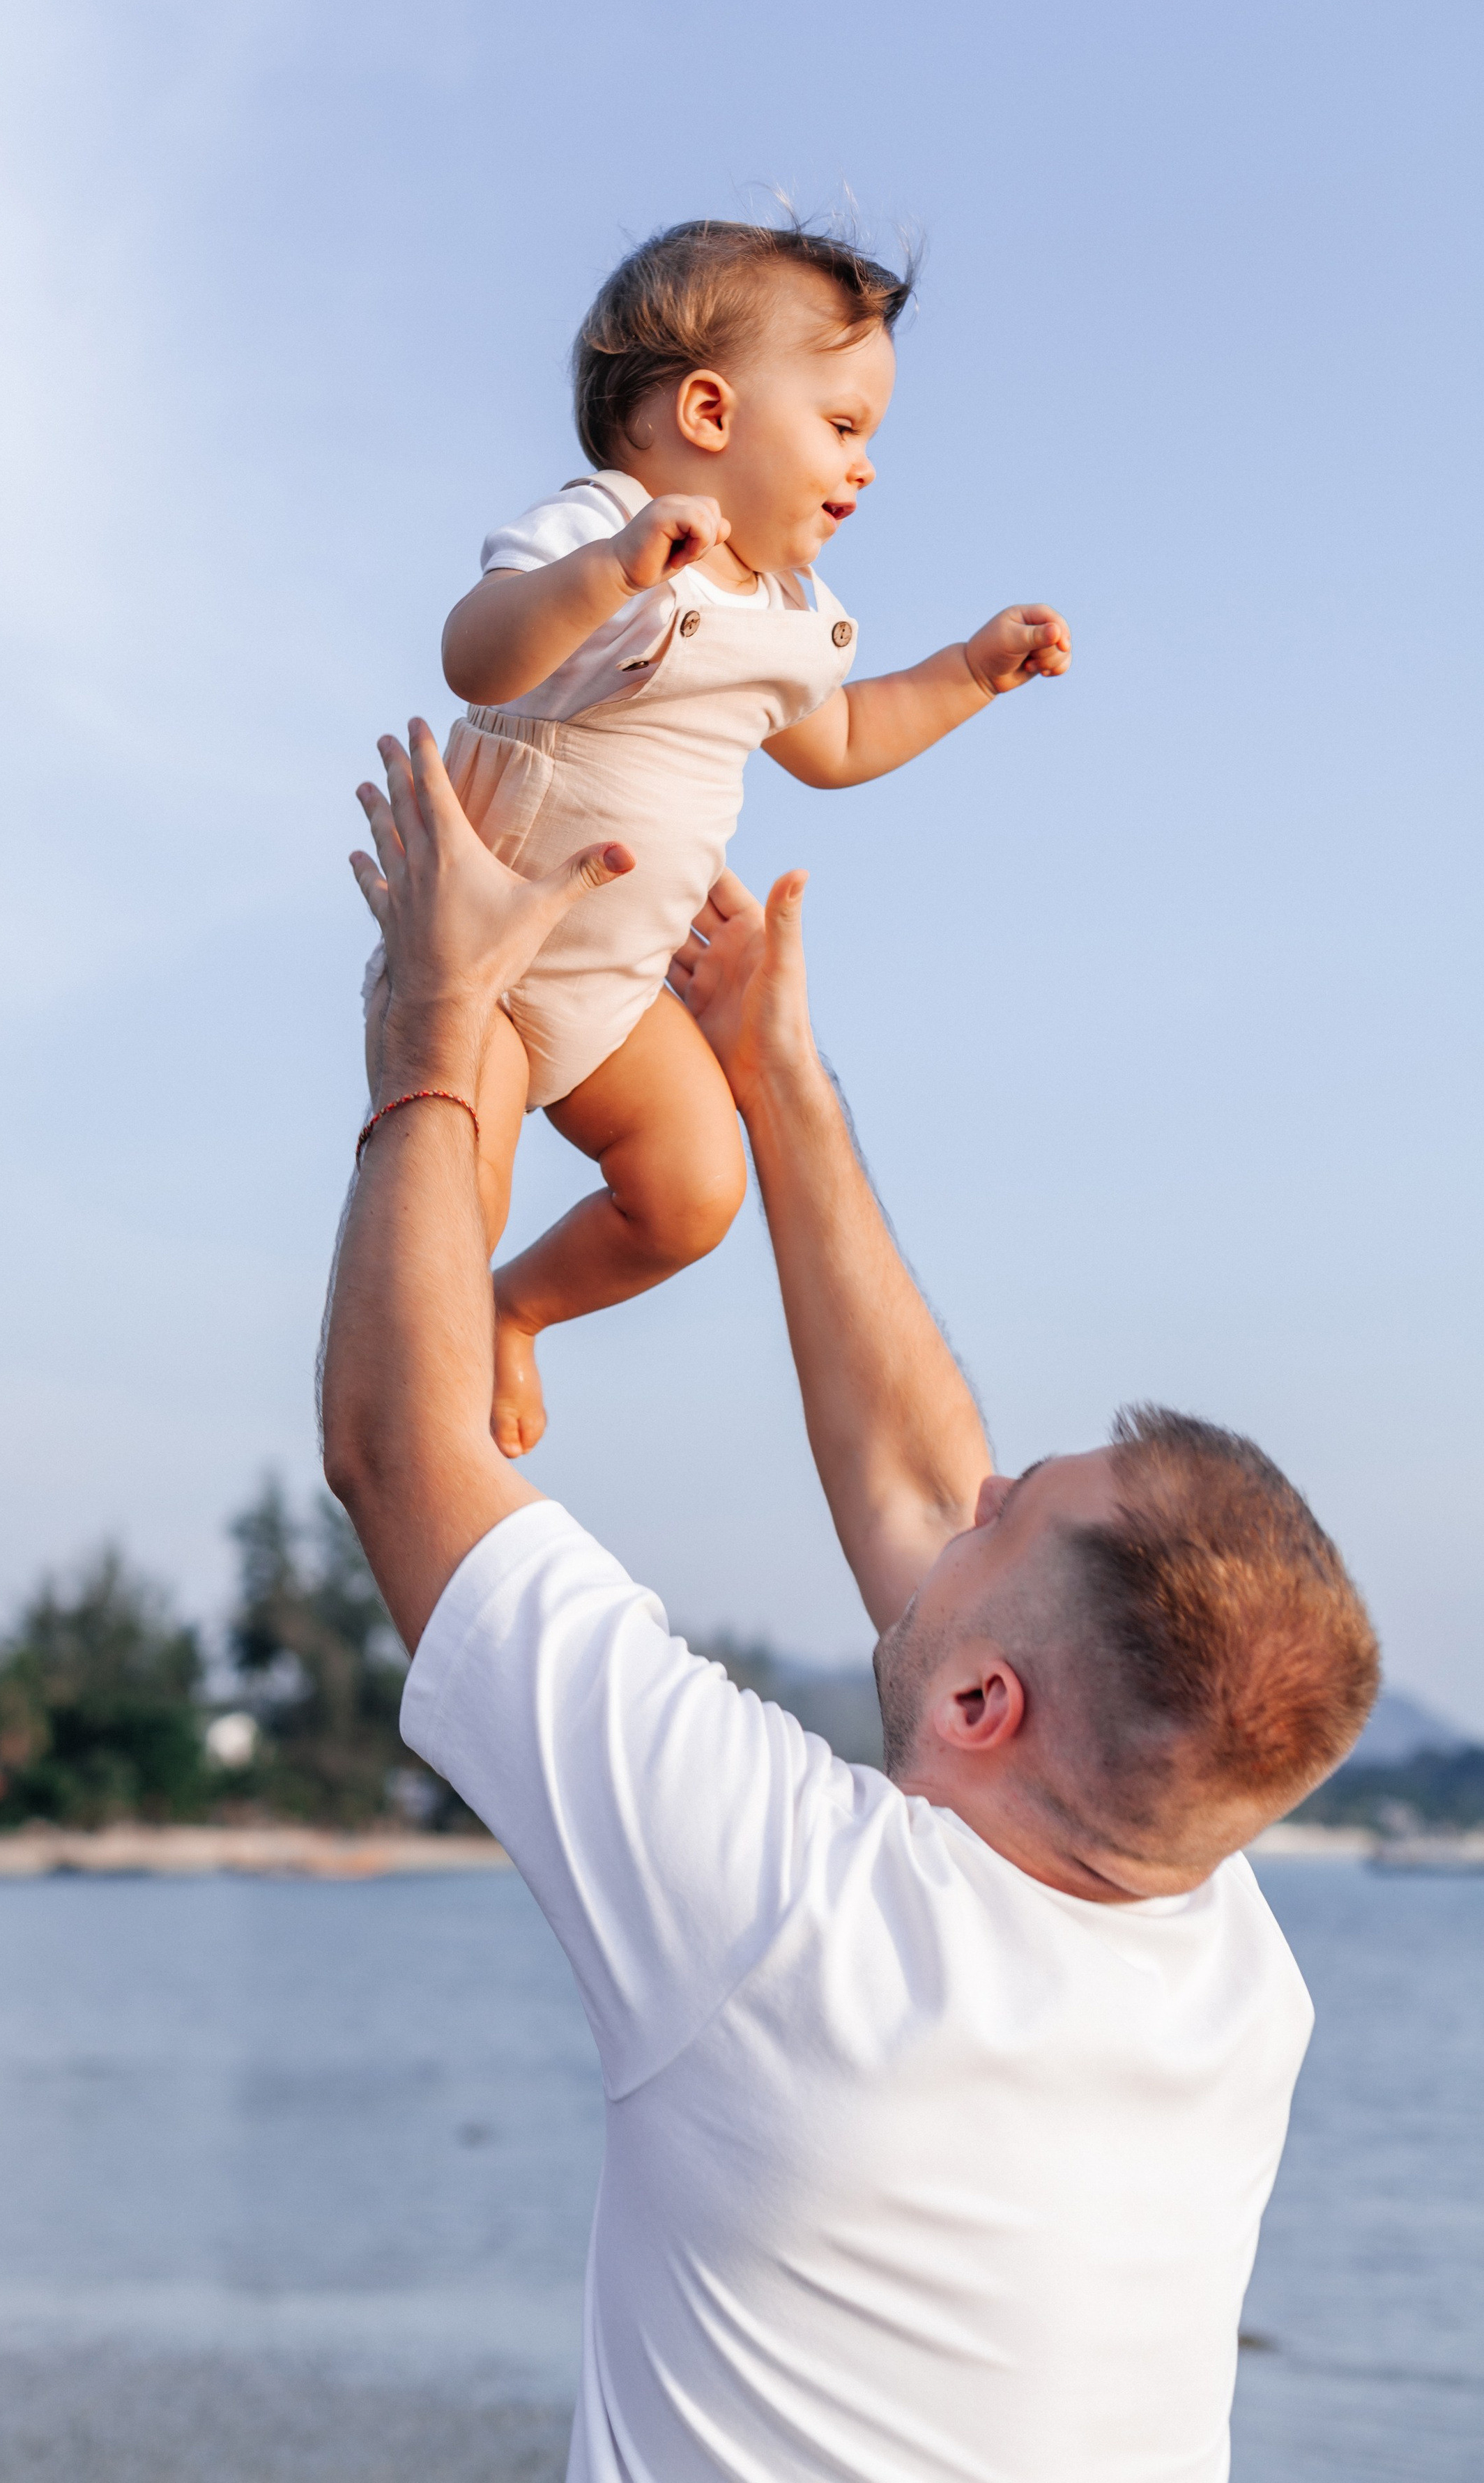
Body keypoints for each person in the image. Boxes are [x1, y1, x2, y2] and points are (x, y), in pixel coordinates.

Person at [323, 723, 1379, 2483]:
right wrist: (774, 1082)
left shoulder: (790, 1923)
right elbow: (924, 1496)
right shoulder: (1221, 1963)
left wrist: (430, 1024)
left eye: (1003, 1511)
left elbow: (401, 1457)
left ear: (984, 1710)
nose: (964, 1493)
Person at [363, 218, 1072, 1456]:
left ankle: (516, 1309)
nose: (864, 469)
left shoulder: (791, 612)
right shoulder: (608, 529)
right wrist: (607, 575)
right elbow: (473, 655)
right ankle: (423, 1412)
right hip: (485, 965)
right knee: (457, 1184)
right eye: (844, 427)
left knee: (694, 1193)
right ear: (707, 410)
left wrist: (967, 674)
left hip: (617, 988)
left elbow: (841, 739)